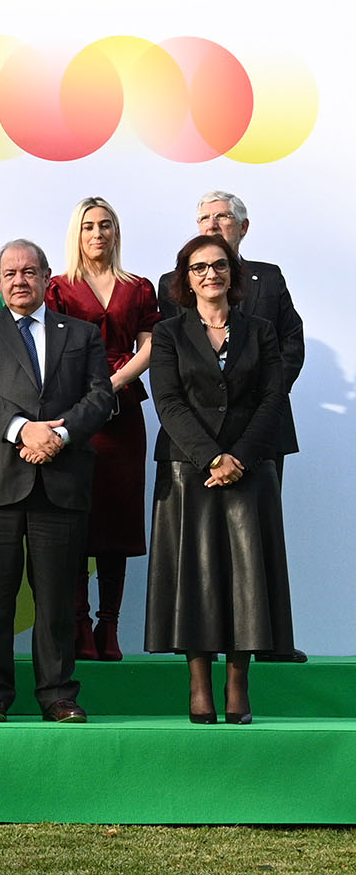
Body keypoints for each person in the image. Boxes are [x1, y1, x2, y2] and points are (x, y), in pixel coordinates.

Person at [0, 239, 115, 724]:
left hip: (61, 481)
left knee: (58, 599)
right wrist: (24, 429)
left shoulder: (81, 334)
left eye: (29, 272)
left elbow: (100, 395)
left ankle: (59, 695)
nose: (19, 280)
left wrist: (58, 434)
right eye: (9, 274)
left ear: (47, 277)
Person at [145, 234, 294, 724]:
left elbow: (273, 400)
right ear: (184, 279)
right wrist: (212, 458)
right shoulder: (167, 333)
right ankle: (198, 684)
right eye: (198, 267)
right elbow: (168, 403)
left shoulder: (262, 330)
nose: (211, 274)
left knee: (247, 579)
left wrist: (240, 458)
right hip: (189, 472)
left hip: (251, 469)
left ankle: (238, 683)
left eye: (219, 265)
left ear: (233, 273)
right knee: (196, 578)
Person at [156, 190, 307, 662]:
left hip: (258, 435)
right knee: (199, 555)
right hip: (194, 444)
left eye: (222, 217)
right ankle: (207, 656)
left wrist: (249, 432)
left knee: (254, 543)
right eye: (204, 217)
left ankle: (267, 642)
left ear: (243, 226)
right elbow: (176, 372)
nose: (213, 223)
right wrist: (211, 451)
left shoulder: (270, 278)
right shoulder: (171, 285)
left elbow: (289, 344)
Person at [43, 196, 157, 662]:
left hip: (123, 414)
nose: (97, 233)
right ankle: (78, 625)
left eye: (105, 225)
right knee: (75, 520)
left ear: (116, 232)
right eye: (88, 226)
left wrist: (112, 384)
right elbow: (49, 348)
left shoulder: (140, 287)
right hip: (74, 414)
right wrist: (88, 396)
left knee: (117, 522)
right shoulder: (58, 288)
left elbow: (150, 346)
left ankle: (109, 627)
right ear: (77, 233)